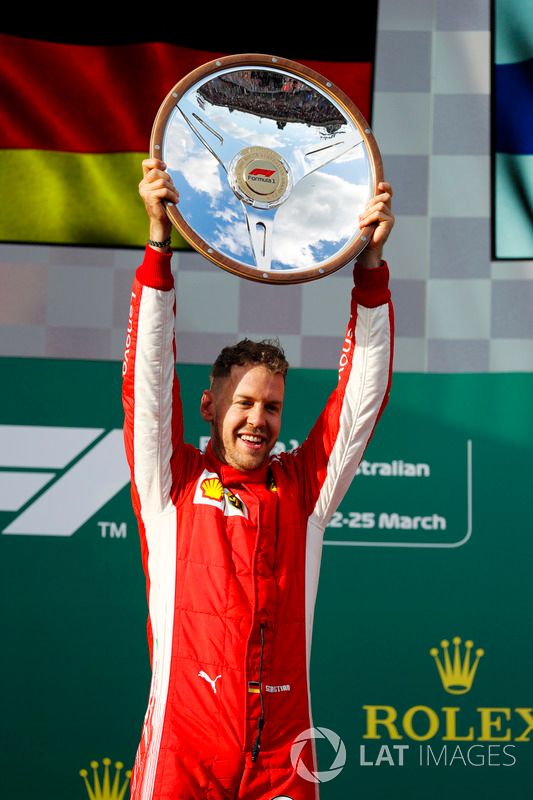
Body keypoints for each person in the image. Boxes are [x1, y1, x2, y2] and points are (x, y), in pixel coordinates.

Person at [122, 158, 395, 800]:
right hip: (183, 749)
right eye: (243, 404)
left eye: (271, 406)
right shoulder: (172, 485)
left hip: (282, 756)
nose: (258, 420)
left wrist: (372, 270)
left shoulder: (304, 494)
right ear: (210, 407)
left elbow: (359, 400)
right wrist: (159, 246)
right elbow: (149, 380)